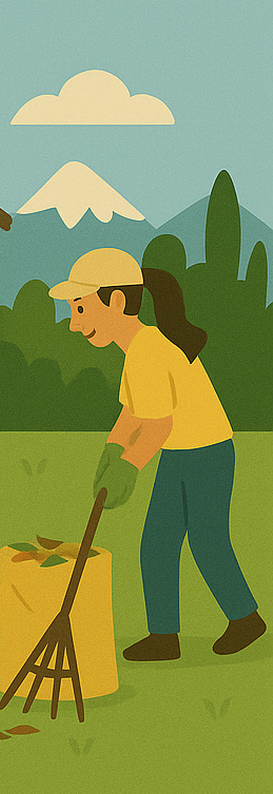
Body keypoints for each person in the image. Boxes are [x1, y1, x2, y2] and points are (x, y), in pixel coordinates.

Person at [49, 248, 264, 661]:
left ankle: (245, 619)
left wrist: (128, 467)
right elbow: (132, 411)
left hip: (207, 453)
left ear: (114, 301)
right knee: (158, 544)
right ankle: (164, 635)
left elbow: (159, 424)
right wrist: (113, 448)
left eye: (80, 308)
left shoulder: (149, 349)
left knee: (207, 541)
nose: (75, 324)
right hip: (180, 454)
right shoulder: (138, 348)